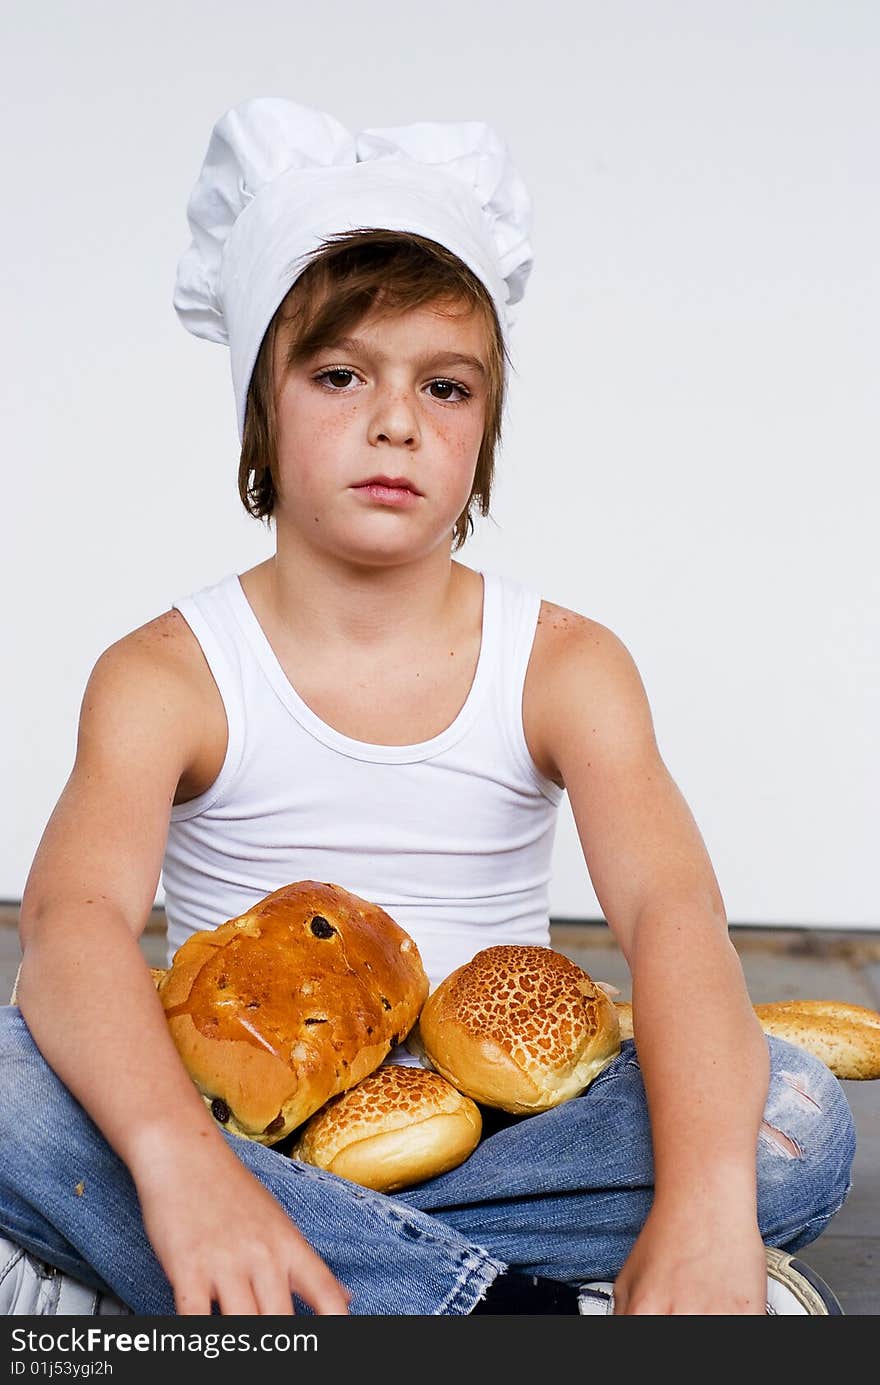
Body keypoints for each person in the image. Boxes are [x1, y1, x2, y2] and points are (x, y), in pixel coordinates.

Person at [0, 97, 856, 1318]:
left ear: (485, 431)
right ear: (261, 406)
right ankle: (508, 1308)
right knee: (13, 1070)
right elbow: (73, 925)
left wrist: (707, 1193)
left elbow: (673, 915)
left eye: (445, 387)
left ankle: (177, 1280)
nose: (396, 419)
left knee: (791, 1118)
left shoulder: (565, 662)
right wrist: (186, 1161)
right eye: (340, 373)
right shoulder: (168, 672)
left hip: (500, 1140)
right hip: (234, 1117)